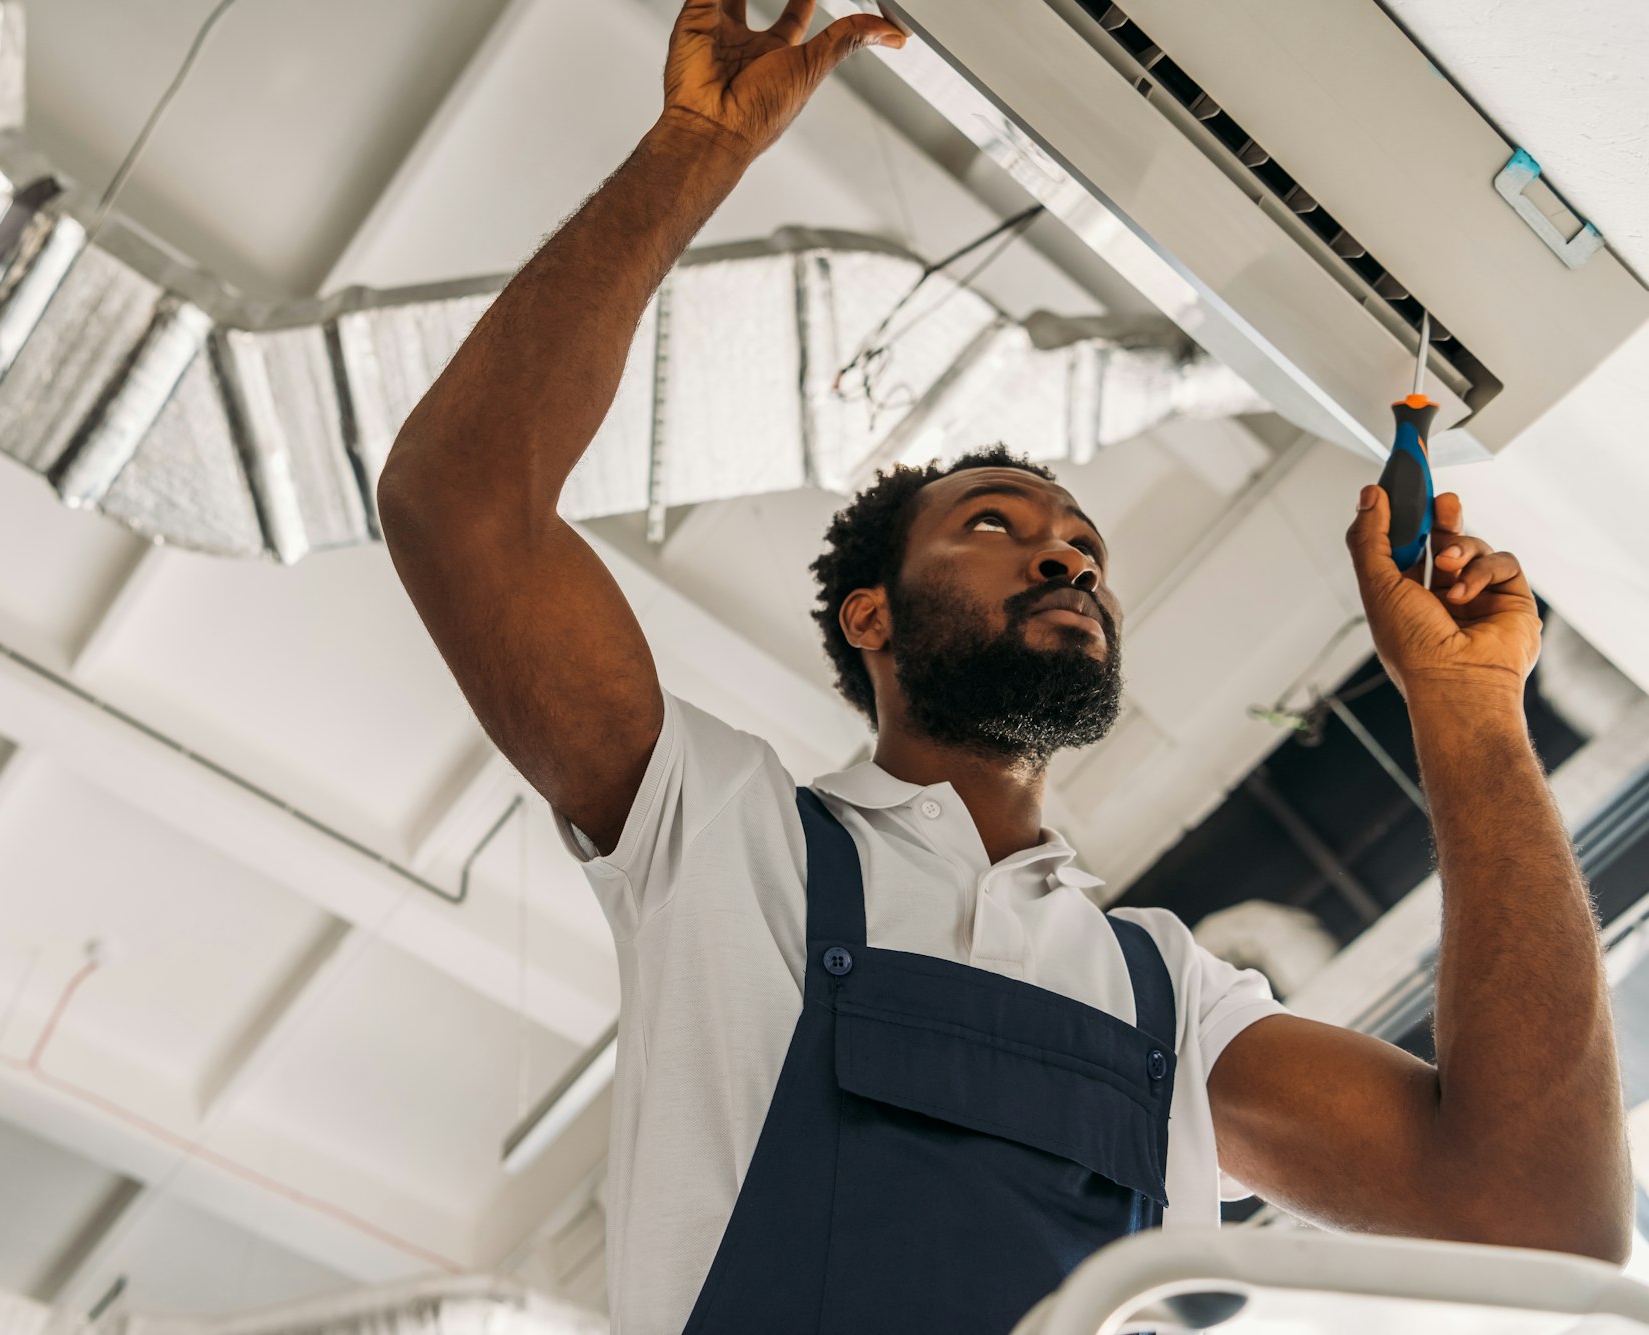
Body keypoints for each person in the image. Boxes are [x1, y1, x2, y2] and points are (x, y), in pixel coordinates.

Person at [376, 2, 1631, 1330]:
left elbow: (1538, 1216)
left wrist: (1471, 705)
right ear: (872, 617)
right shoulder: (721, 836)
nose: (1066, 559)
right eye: (997, 526)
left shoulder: (1169, 997)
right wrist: (696, 147)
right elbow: (465, 507)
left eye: (1083, 545)